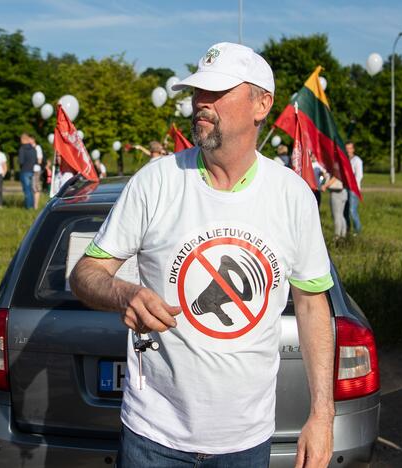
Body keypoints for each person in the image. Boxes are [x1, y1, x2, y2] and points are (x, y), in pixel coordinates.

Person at [70, 42, 335, 468]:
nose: (201, 104)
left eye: (218, 92)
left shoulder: (293, 196)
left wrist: (322, 415)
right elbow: (86, 273)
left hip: (246, 442)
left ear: (261, 105)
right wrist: (124, 294)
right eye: (198, 93)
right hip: (152, 437)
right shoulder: (155, 182)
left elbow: (311, 305)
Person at [321, 163, 347, 238]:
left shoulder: (336, 163)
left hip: (336, 193)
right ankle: (343, 235)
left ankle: (337, 237)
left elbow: (336, 176)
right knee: (341, 215)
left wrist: (325, 186)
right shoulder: (342, 162)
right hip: (343, 192)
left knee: (336, 216)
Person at [345, 142, 362, 235]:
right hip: (345, 189)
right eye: (347, 148)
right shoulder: (345, 160)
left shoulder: (357, 161)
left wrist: (351, 185)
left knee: (352, 210)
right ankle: (347, 229)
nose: (348, 150)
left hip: (354, 190)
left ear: (353, 149)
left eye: (350, 148)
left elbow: (359, 176)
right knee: (346, 211)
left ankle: (358, 230)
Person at [18, 133, 38, 209]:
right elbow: (35, 160)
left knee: (26, 190)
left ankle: (28, 207)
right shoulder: (33, 149)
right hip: (31, 171)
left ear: (23, 139)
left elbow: (21, 161)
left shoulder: (22, 149)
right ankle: (32, 205)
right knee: (31, 189)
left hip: (24, 170)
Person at [31, 137, 44, 209]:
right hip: (30, 170)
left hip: (36, 170)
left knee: (36, 188)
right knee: (32, 188)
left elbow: (39, 161)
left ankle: (35, 206)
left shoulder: (37, 147)